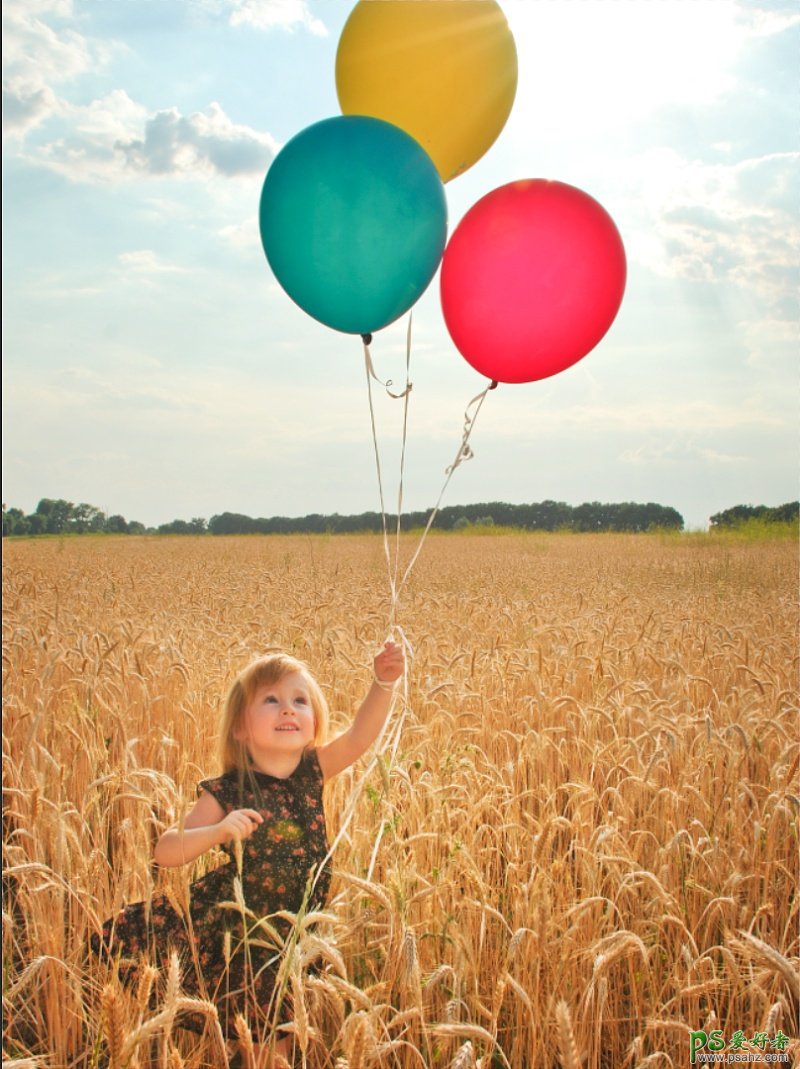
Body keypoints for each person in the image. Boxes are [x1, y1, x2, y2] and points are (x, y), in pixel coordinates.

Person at [91, 640, 405, 1067]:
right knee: (265, 1049)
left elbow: (359, 737)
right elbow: (166, 850)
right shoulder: (229, 791)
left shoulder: (313, 771)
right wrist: (218, 829)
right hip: (245, 942)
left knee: (282, 1042)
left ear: (314, 721)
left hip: (295, 937)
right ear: (240, 727)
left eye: (299, 700)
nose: (288, 709)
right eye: (271, 700)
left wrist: (383, 682)